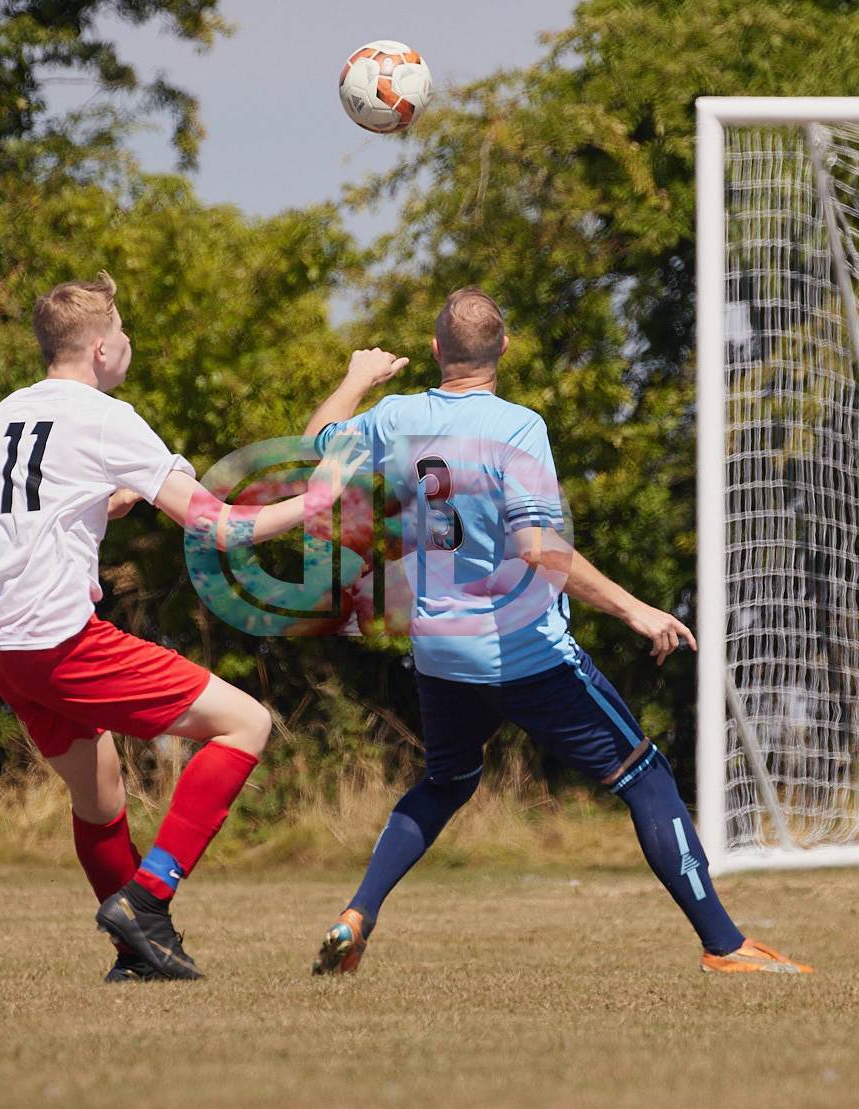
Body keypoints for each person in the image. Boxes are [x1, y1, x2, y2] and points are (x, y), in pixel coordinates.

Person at [306, 287, 812, 977]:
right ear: (504, 349)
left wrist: (357, 378)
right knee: (646, 775)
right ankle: (725, 946)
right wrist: (635, 610)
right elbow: (539, 549)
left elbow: (316, 446)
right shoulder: (517, 427)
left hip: (439, 650)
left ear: (435, 349)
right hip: (522, 650)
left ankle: (356, 915)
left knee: (447, 780)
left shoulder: (396, 416)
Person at [0, 271, 358, 982]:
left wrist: (108, 499)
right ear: (101, 349)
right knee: (247, 724)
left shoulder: (10, 411)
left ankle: (135, 955)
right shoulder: (106, 416)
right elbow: (222, 530)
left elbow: (17, 504)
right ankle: (147, 900)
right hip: (59, 639)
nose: (128, 342)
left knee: (101, 791)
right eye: (123, 331)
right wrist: (318, 500)